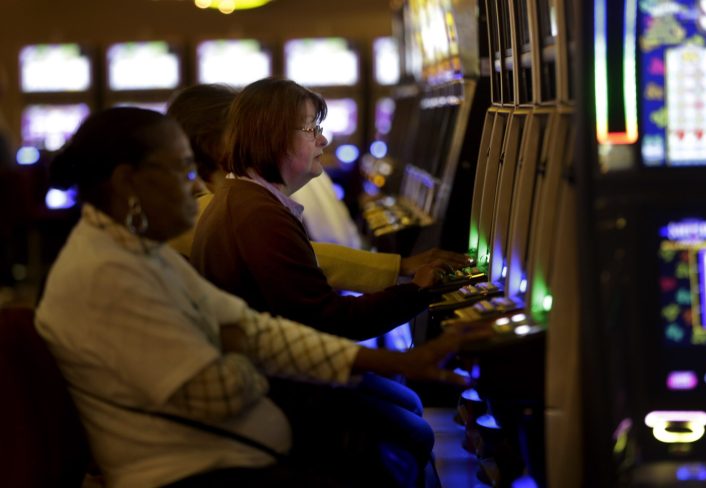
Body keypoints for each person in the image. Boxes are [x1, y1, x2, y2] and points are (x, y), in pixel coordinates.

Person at [34, 107, 491, 488]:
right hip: (192, 473)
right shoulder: (105, 275)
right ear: (126, 182)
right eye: (179, 170)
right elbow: (219, 392)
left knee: (399, 442)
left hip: (236, 452)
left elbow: (254, 330)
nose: (194, 183)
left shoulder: (141, 252)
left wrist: (398, 364)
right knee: (393, 452)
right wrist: (252, 354)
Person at [187, 79, 462, 485]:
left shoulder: (249, 199)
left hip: (278, 379)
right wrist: (420, 291)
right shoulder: (256, 213)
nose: (324, 139)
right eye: (311, 129)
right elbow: (328, 320)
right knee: (413, 429)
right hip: (280, 392)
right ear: (273, 137)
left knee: (406, 405)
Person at [167, 84, 467, 294]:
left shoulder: (244, 189)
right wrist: (399, 268)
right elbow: (302, 258)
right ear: (210, 143)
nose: (255, 137)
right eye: (241, 129)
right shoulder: (202, 208)